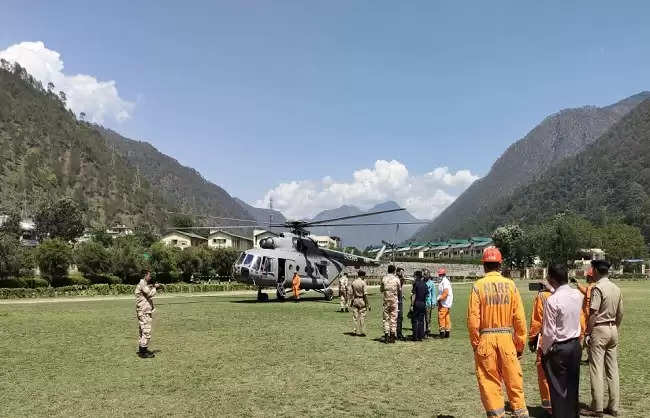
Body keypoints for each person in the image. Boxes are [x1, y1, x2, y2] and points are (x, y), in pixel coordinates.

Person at [467, 247, 529, 418]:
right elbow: (520, 320)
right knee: (514, 382)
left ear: (484, 266)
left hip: (486, 339)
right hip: (507, 339)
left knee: (489, 383)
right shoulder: (511, 285)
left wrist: (475, 344)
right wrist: (519, 345)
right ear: (499, 265)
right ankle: (521, 413)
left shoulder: (478, 286)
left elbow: (473, 321)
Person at [580, 260, 623, 418]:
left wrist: (588, 333)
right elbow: (620, 313)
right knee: (613, 370)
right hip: (613, 329)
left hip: (600, 328)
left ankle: (597, 408)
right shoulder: (616, 288)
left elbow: (593, 313)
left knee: (596, 369)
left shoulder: (598, 288)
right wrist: (614, 327)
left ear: (597, 270)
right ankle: (614, 406)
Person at [540, 264, 583, 418]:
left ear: (551, 278)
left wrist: (544, 350)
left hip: (559, 348)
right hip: (575, 345)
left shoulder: (551, 301)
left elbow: (549, 332)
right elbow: (565, 298)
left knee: (558, 390)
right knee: (572, 387)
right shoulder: (577, 294)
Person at [528, 280, 553, 416]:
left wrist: (532, 339)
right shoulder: (572, 295)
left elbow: (536, 321)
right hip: (567, 340)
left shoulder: (542, 297)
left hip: (546, 339)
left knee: (544, 374)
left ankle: (549, 407)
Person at [135, 270, 160, 358]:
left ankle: (143, 349)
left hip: (144, 310)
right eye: (149, 275)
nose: (150, 277)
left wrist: (152, 286)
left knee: (143, 331)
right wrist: (155, 288)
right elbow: (149, 294)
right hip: (144, 311)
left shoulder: (143, 284)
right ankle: (143, 352)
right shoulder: (142, 284)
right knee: (146, 330)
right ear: (145, 275)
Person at [381, 264, 401, 343]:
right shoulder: (396, 279)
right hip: (394, 301)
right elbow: (399, 289)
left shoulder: (384, 279)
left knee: (386, 319)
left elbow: (381, 289)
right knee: (393, 318)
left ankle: (386, 336)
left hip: (386, 301)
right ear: (394, 271)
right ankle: (392, 337)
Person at [350, 271, 370, 336]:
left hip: (355, 299)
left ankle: (354, 331)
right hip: (361, 300)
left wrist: (351, 302)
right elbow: (365, 295)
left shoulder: (353, 282)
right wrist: (368, 304)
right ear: (363, 276)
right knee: (362, 316)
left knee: (355, 317)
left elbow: (352, 294)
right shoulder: (363, 283)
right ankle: (362, 332)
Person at [410, 270, 428, 341]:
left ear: (417, 276)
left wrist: (411, 305)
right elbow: (426, 295)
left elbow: (414, 294)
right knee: (421, 320)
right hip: (423, 303)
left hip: (416, 303)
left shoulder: (415, 284)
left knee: (415, 320)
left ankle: (415, 336)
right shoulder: (424, 284)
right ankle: (421, 336)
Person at [437, 268, 453, 338]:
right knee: (447, 317)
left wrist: (439, 299)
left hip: (444, 302)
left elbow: (445, 293)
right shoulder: (445, 281)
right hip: (447, 302)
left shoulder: (445, 282)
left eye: (440, 275)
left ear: (443, 275)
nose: (439, 276)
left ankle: (442, 332)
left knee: (441, 317)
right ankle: (447, 331)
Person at [424, 269, 436, 337]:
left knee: (428, 318)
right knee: (422, 318)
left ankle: (428, 331)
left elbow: (433, 294)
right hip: (422, 303)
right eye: (424, 274)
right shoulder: (422, 282)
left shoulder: (432, 284)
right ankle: (422, 331)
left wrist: (433, 303)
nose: (425, 275)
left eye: (426, 274)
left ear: (429, 275)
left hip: (428, 303)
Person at [396, 267, 406, 341]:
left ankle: (396, 333)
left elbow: (399, 289)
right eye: (401, 272)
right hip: (397, 301)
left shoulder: (399, 279)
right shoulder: (398, 279)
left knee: (398, 317)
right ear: (397, 272)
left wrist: (401, 294)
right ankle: (398, 333)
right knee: (399, 317)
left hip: (398, 299)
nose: (403, 274)